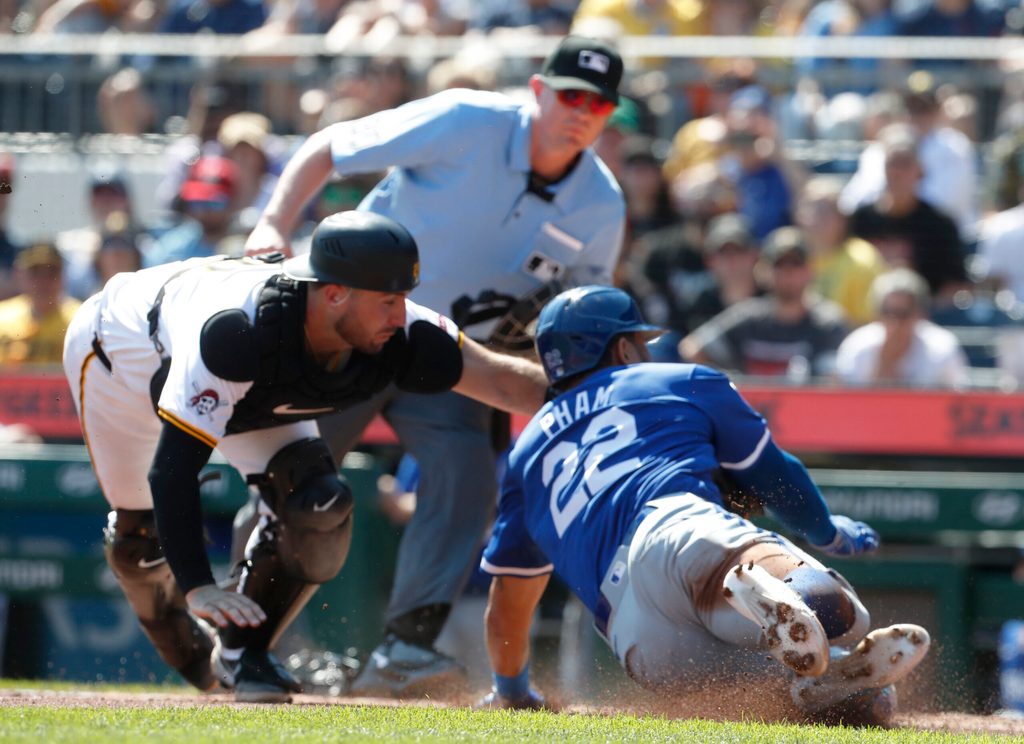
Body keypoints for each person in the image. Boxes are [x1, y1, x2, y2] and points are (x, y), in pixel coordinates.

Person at [243, 34, 627, 696]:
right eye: (570, 94)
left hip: (448, 347)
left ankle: (405, 649)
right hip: (352, 321)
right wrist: (275, 221)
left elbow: (580, 310)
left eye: (598, 104)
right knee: (289, 473)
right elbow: (330, 147)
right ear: (538, 91)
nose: (581, 111)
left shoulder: (602, 202)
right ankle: (249, 638)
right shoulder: (467, 120)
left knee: (466, 477)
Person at [61, 211, 548, 703]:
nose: (400, 315)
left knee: (320, 502)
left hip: (241, 388)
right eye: (388, 301)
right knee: (138, 540)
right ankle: (188, 655)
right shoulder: (236, 332)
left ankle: (241, 651)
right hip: (118, 354)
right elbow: (173, 473)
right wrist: (199, 588)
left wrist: (609, 393)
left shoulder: (399, 327)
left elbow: (502, 381)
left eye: (403, 298)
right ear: (334, 292)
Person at [478, 285, 931, 723]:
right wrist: (826, 531)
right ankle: (785, 597)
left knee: (844, 701)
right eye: (639, 341)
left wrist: (512, 690)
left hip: (632, 635)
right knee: (841, 612)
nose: (646, 350)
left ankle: (815, 667)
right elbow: (777, 474)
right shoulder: (677, 379)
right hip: (673, 530)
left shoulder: (525, 451)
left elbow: (508, 604)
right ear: (621, 350)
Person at [680, 227, 849, 380]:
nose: (788, 273)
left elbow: (835, 379)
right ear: (763, 272)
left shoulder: (827, 323)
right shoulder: (747, 316)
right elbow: (691, 349)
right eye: (779, 265)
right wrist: (726, 381)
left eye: (795, 264)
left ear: (809, 271)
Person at [835, 268, 969, 388]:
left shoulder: (942, 347)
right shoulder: (858, 346)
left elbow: (955, 402)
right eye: (887, 312)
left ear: (921, 314)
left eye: (903, 313)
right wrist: (885, 363)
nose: (894, 322)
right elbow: (847, 406)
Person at [0, 242, 81, 367]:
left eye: (51, 273)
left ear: (63, 276)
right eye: (35, 273)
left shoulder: (80, 319)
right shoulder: (2, 317)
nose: (43, 281)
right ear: (19, 275)